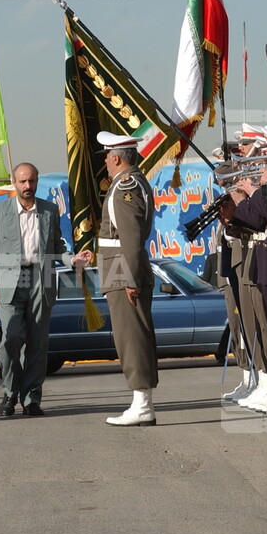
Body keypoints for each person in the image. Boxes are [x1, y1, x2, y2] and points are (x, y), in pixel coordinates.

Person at [0, 162, 92, 416]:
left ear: (37, 181)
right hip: (10, 284)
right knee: (11, 340)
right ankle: (9, 394)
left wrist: (72, 260)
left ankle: (32, 399)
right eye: (22, 182)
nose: (27, 186)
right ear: (14, 182)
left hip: (41, 281)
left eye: (31, 181)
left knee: (37, 344)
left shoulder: (49, 211)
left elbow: (57, 246)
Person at [96, 131, 159, 427]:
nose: (106, 161)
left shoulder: (125, 186)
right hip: (119, 266)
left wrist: (130, 278)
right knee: (129, 336)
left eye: (108, 156)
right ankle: (140, 401)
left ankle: (142, 404)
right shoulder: (131, 182)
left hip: (122, 269)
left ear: (117, 157)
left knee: (132, 337)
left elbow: (131, 237)